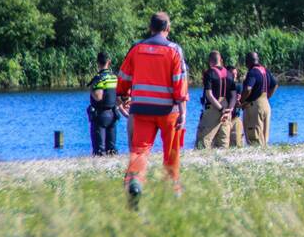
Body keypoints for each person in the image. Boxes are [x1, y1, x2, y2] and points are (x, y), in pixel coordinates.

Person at [117, 12, 189, 206]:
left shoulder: (137, 48)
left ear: (150, 28)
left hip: (141, 110)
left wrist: (122, 95)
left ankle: (134, 182)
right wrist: (183, 109)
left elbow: (123, 75)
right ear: (168, 28)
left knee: (139, 151)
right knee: (171, 151)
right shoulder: (174, 50)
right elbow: (179, 81)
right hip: (169, 111)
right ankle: (172, 190)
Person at [195, 51, 235, 150]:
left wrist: (221, 109)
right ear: (220, 60)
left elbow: (209, 94)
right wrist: (229, 110)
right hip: (227, 108)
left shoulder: (209, 73)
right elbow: (233, 95)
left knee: (203, 140)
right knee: (223, 141)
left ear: (210, 61)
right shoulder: (229, 74)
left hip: (214, 108)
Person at [241, 53, 277, 146]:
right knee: (264, 136)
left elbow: (248, 89)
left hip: (255, 106)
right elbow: (275, 85)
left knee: (254, 136)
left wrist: (241, 101)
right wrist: (268, 96)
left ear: (248, 62)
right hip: (266, 104)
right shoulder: (265, 71)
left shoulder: (252, 72)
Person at [87, 51, 119, 156]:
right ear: (108, 62)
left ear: (98, 63)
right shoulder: (114, 78)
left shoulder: (98, 79)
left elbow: (98, 97)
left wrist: (91, 89)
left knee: (99, 151)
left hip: (100, 116)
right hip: (113, 115)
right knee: (112, 150)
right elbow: (118, 97)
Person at [227, 65, 244, 147]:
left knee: (237, 141)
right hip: (225, 116)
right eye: (232, 73)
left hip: (235, 116)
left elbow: (240, 100)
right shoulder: (224, 85)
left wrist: (239, 101)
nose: (234, 75)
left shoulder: (238, 86)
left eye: (236, 74)